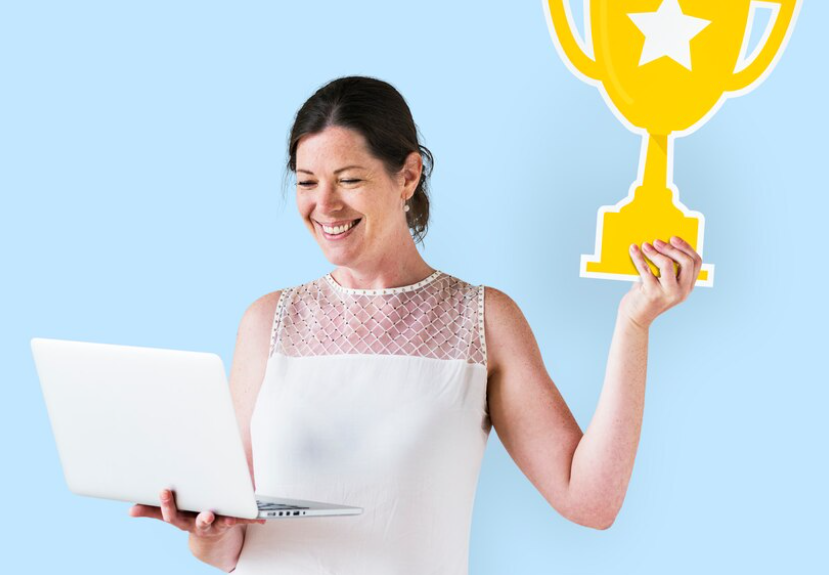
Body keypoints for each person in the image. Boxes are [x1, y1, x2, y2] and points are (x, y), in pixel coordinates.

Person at [130, 76, 703, 573]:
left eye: (348, 179)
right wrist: (205, 532)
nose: (323, 205)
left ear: (407, 177)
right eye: (306, 182)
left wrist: (634, 326)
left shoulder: (482, 319)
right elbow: (229, 548)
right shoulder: (267, 322)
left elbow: (591, 501)